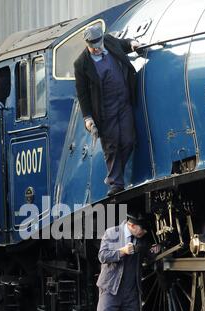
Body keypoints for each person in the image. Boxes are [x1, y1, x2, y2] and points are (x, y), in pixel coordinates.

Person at [74, 24, 141, 197]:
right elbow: (82, 94)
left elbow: (123, 44)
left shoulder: (110, 41)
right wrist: (88, 117)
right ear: (87, 44)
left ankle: (116, 175)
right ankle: (115, 183)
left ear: (102, 39)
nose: (96, 50)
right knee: (111, 146)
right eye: (93, 47)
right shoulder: (81, 64)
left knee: (128, 140)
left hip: (124, 102)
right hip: (104, 109)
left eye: (98, 45)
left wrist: (132, 43)